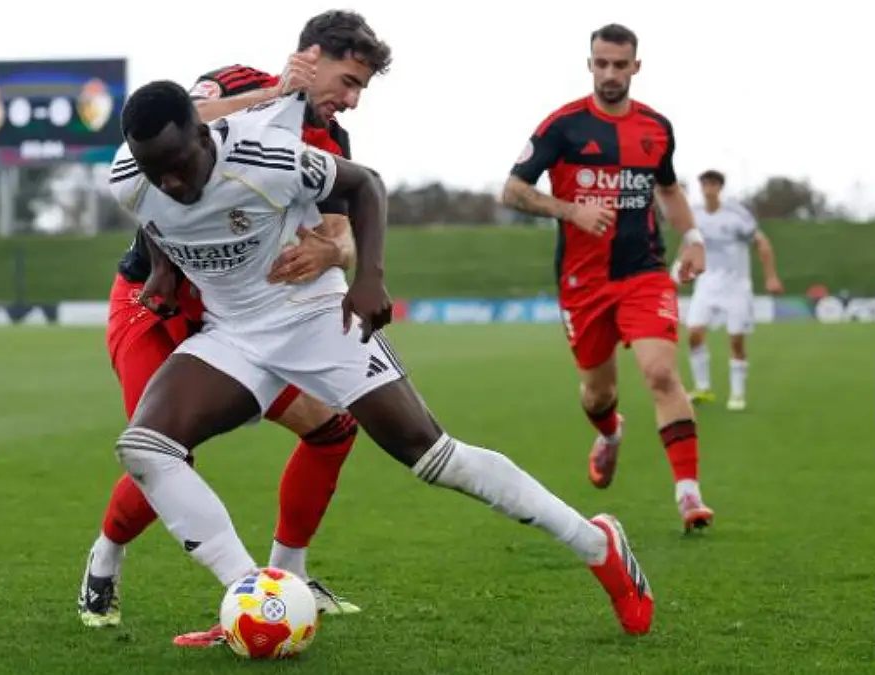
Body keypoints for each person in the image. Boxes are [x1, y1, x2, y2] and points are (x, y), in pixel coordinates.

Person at [108, 80, 655, 640]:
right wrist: (161, 270)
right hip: (233, 336)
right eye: (158, 172)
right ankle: (255, 595)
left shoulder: (263, 158)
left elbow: (366, 185)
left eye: (179, 165)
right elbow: (155, 220)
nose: (172, 183)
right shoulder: (130, 178)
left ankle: (596, 543)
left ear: (202, 135)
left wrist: (368, 277)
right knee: (146, 447)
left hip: (316, 318)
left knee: (433, 457)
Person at [77, 9, 393, 643]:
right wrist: (275, 93)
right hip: (154, 300)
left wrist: (334, 253)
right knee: (166, 450)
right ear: (312, 57)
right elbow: (167, 143)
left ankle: (288, 579)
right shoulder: (235, 83)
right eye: (348, 81)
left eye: (362, 88)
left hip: (241, 318)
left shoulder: (332, 143)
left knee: (332, 430)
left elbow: (343, 235)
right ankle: (104, 561)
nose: (352, 100)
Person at [501, 23, 715, 533]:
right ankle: (611, 432)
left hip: (644, 272)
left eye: (621, 65)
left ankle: (689, 494)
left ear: (635, 66)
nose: (611, 73)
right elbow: (512, 190)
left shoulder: (657, 128)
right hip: (583, 283)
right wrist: (569, 210)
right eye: (602, 64)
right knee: (597, 395)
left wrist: (693, 239)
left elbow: (669, 189)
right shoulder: (563, 126)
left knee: (662, 374)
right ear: (590, 64)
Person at [682, 169, 783, 411]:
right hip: (706, 284)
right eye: (705, 183)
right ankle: (703, 388)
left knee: (736, 339)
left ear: (720, 188)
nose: (708, 187)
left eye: (713, 183)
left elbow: (762, 243)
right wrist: (682, 268)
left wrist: (771, 277)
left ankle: (737, 393)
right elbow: (689, 245)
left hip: (736, 286)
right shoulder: (693, 215)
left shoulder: (736, 215)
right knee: (694, 334)